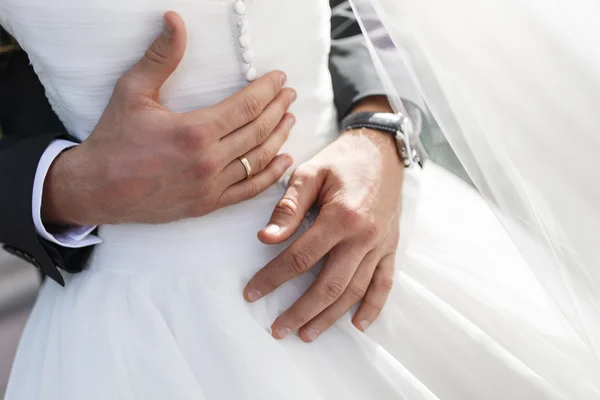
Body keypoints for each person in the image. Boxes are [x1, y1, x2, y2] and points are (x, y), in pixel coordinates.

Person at [1, 0, 598, 399]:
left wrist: (379, 126)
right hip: (143, 328)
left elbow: (362, 11)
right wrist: (65, 186)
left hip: (383, 241)